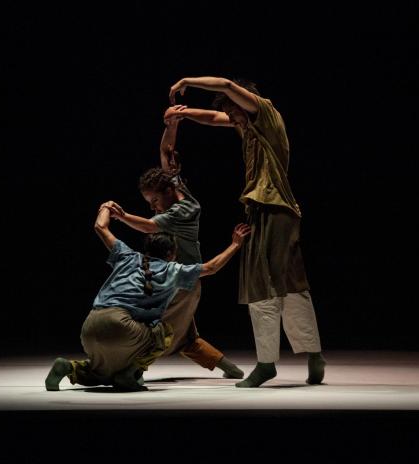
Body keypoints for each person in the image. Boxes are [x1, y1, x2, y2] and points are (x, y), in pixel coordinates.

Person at [165, 76, 326, 388]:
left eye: (234, 111)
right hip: (273, 211)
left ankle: (268, 363)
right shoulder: (251, 126)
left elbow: (226, 85)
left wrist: (186, 81)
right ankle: (313, 356)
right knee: (289, 283)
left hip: (272, 208)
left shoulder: (264, 112)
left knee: (262, 282)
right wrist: (183, 114)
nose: (232, 118)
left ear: (245, 101)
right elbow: (214, 118)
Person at [99, 108, 244, 380]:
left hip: (179, 280)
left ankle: (133, 369)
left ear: (166, 193)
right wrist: (172, 124)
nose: (153, 207)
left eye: (154, 201)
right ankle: (230, 369)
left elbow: (149, 226)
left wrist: (121, 215)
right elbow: (166, 152)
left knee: (155, 326)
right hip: (183, 280)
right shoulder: (176, 188)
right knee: (186, 335)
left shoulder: (182, 210)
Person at [44, 200, 250, 392]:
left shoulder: (126, 255)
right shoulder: (173, 270)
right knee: (164, 333)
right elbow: (211, 268)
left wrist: (106, 206)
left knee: (104, 373)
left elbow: (100, 227)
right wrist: (235, 244)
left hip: (90, 326)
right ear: (171, 254)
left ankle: (68, 367)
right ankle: (129, 373)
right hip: (122, 325)